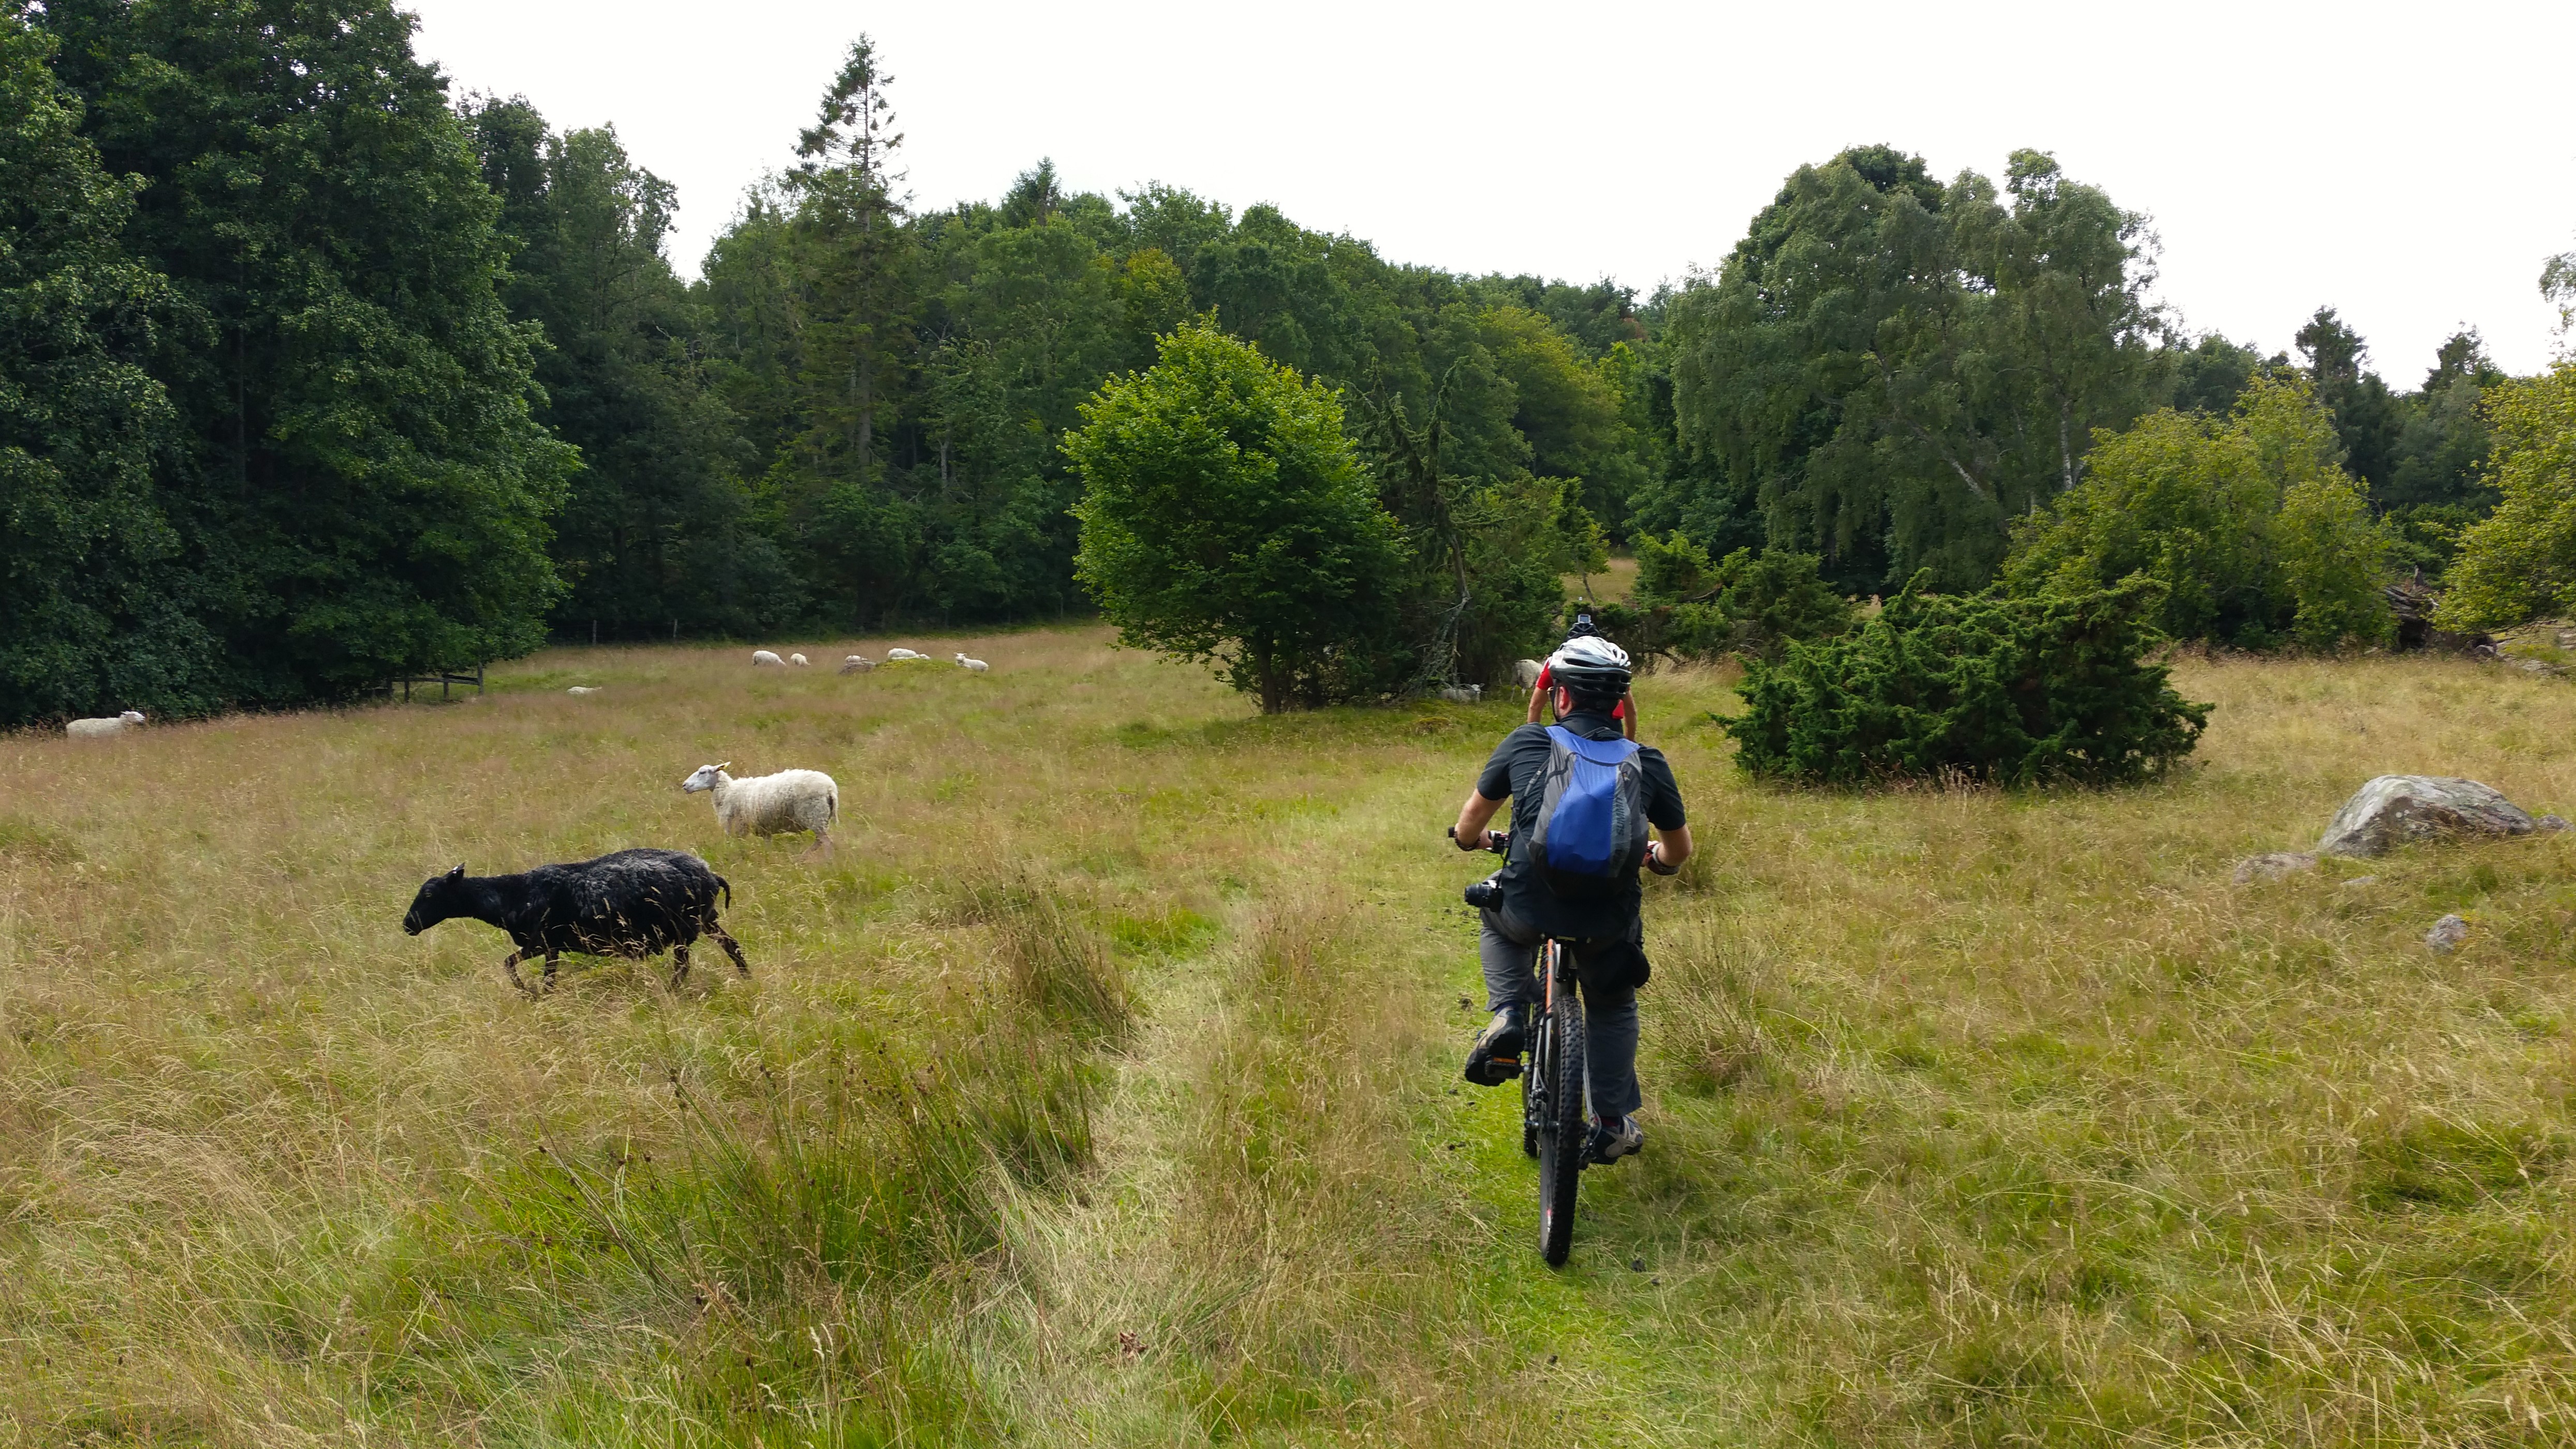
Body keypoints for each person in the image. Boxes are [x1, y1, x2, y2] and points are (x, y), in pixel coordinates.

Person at [1450, 633, 1690, 1164]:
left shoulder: (1526, 743)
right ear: (1621, 702)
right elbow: (1678, 852)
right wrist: (1655, 859)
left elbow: (1469, 828)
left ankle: (1511, 1012)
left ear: (1561, 696)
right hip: (1607, 920)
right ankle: (1609, 1122)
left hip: (1530, 905)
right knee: (1613, 1002)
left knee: (1497, 922)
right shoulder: (1646, 760)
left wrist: (1476, 842)